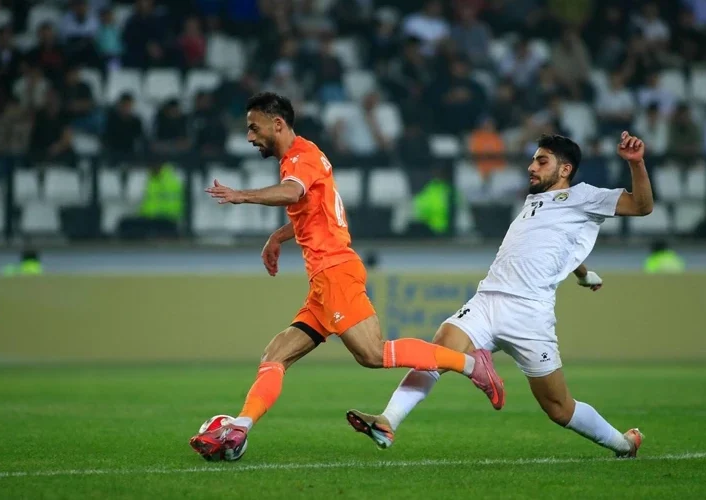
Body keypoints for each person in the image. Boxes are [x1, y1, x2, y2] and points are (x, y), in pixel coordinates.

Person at [189, 92, 503, 461]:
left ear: (278, 124)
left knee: (372, 353)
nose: (249, 137)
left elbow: (292, 192)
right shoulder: (303, 156)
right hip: (323, 281)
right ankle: (240, 427)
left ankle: (472, 365)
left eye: (254, 128)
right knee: (275, 355)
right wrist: (277, 236)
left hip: (335, 271)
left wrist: (242, 195)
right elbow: (313, 211)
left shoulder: (301, 158)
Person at [346, 132, 654, 459]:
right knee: (438, 351)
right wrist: (583, 274)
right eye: (533, 160)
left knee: (558, 407)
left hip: (530, 315)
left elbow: (642, 206)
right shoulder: (534, 202)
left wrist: (636, 163)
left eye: (541, 161)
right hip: (487, 301)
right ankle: (388, 421)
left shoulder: (583, 196)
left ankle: (624, 445)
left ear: (565, 170)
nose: (531, 167)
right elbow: (556, 246)